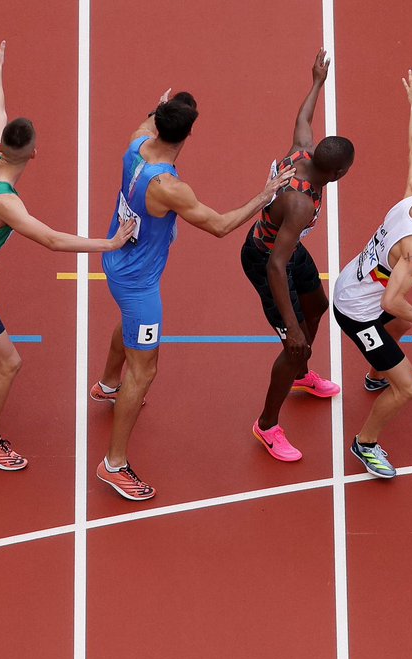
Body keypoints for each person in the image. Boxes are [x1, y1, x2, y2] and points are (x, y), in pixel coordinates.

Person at [0, 37, 134, 471]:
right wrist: (112, 243)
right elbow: (54, 240)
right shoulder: (6, 203)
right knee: (10, 361)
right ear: (33, 153)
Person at [93, 91, 295, 500]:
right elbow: (220, 226)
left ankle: (108, 385)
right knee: (146, 371)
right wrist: (266, 193)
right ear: (187, 134)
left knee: (129, 324)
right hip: (138, 282)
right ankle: (113, 464)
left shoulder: (136, 143)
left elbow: (149, 121)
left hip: (118, 263)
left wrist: (162, 107)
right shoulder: (170, 187)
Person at [333, 68, 412, 479]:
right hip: (358, 311)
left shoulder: (410, 198)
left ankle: (375, 376)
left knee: (400, 322)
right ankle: (365, 444)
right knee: (408, 387)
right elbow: (390, 301)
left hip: (356, 281)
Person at [241, 48, 355, 462]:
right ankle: (267, 425)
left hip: (288, 250)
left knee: (318, 305)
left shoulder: (304, 150)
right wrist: (291, 329)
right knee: (296, 341)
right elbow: (274, 264)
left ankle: (302, 373)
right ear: (337, 173)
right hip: (266, 258)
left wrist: (318, 82)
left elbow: (303, 119)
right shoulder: (302, 204)